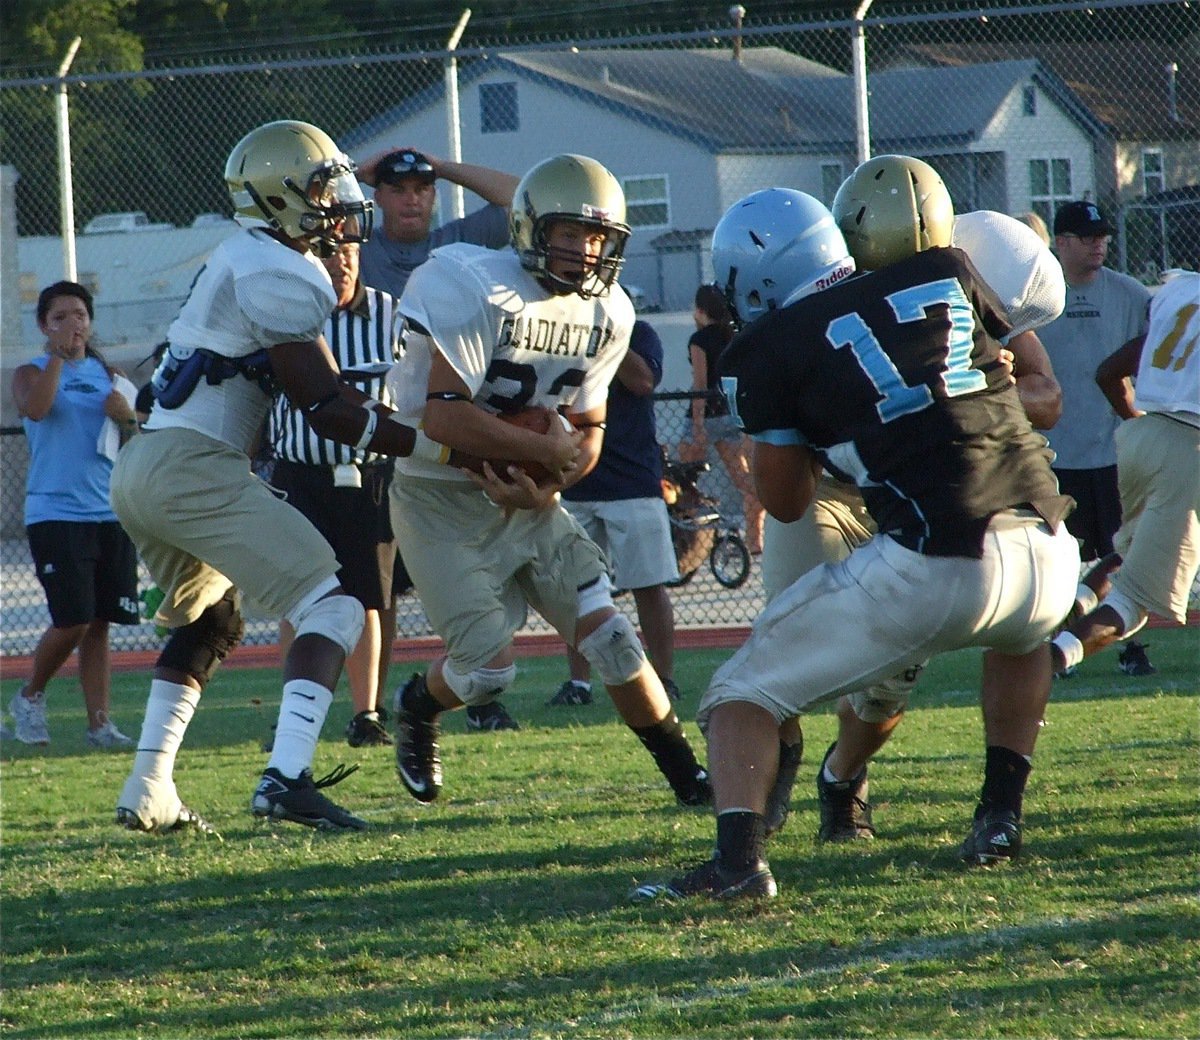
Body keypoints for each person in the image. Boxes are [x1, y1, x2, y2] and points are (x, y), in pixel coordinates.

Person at [633, 166, 1078, 902]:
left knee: (739, 693)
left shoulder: (765, 349)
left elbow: (783, 502)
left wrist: (812, 424)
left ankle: (738, 864)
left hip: (943, 559)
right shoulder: (945, 270)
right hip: (1049, 542)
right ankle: (1000, 813)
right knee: (1022, 637)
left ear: (753, 284)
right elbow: (1005, 375)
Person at [109, 119, 486, 835]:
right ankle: (285, 777)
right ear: (281, 195)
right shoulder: (284, 271)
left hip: (146, 467)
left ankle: (148, 786)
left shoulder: (244, 255)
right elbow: (329, 408)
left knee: (214, 616)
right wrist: (443, 451)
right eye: (321, 185)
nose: (338, 198)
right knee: (336, 608)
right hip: (189, 469)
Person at [385, 153, 711, 809]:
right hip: (440, 497)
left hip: (532, 504)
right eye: (568, 234)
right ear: (533, 229)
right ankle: (418, 706)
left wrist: (555, 480)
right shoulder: (472, 282)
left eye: (597, 238)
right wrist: (540, 449)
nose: (584, 252)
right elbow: (446, 418)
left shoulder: (609, 312)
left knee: (614, 639)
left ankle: (687, 775)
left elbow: (587, 431)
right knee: (486, 671)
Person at [757, 204, 1070, 845]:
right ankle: (760, 805)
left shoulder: (960, 276)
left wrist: (984, 391)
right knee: (782, 645)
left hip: (935, 492)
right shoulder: (819, 284)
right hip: (833, 488)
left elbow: (1047, 397)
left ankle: (843, 779)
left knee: (884, 692)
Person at [356, 146, 521, 731]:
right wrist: (357, 174)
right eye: (398, 188)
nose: (411, 198)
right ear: (378, 196)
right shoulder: (360, 247)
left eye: (421, 188)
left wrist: (446, 166)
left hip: (454, 440)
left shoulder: (456, 248)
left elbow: (520, 196)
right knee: (378, 593)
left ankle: (482, 695)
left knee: (475, 576)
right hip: (382, 445)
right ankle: (371, 709)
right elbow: (312, 210)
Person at [269, 239, 402, 749]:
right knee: (295, 596)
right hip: (300, 473)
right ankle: (295, 714)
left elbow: (409, 383)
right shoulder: (286, 313)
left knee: (368, 597)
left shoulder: (391, 313)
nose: (340, 262)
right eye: (327, 253)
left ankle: (365, 713)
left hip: (368, 476)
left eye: (348, 251)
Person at [8, 280, 141, 749]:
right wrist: (60, 361)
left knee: (100, 621)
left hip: (109, 512)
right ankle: (28, 697)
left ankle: (100, 724)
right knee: (74, 617)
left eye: (79, 315)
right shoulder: (32, 371)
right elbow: (37, 410)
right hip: (56, 513)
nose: (72, 324)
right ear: (44, 325)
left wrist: (127, 415)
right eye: (60, 317)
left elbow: (135, 441)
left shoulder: (111, 375)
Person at [1050, 269, 1199, 676]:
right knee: (1136, 602)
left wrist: (1137, 420)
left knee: (1128, 555)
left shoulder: (1180, 289)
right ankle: (1050, 660)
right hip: (1190, 447)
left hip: (1143, 435)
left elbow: (1109, 372)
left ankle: (1068, 611)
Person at [551, 319, 681, 707]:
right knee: (575, 589)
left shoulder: (638, 333)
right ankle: (579, 683)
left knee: (648, 585)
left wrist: (612, 336)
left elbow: (642, 382)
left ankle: (664, 677)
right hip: (577, 478)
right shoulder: (563, 332)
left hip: (632, 481)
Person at [679, 283, 765, 555]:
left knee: (679, 477)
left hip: (707, 415)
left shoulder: (699, 340)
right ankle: (755, 541)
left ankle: (683, 539)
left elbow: (700, 383)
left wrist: (697, 425)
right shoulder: (733, 335)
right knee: (746, 481)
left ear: (701, 310)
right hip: (730, 414)